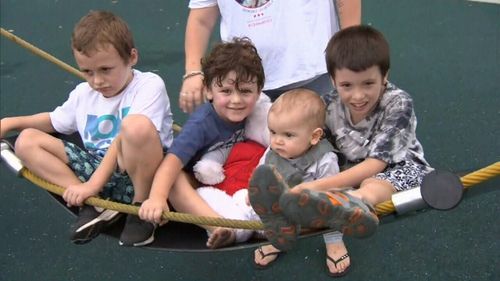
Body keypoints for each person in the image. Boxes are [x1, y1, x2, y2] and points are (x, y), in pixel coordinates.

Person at [249, 25, 434, 277]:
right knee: (298, 158)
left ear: (385, 76)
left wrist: (314, 188)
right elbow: (305, 139)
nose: (358, 95)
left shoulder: (398, 103)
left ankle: (351, 207)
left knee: (371, 184)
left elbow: (376, 165)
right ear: (333, 81)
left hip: (398, 169)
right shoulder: (329, 103)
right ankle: (282, 228)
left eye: (368, 83)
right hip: (344, 171)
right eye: (347, 85)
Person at [0, 11, 174, 247]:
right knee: (26, 141)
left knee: (136, 126)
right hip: (97, 170)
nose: (97, 81)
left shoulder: (149, 85)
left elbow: (124, 139)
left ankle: (139, 209)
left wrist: (92, 184)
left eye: (105, 69)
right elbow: (53, 121)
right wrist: (10, 123)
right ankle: (94, 205)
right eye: (87, 72)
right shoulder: (84, 94)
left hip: (142, 173)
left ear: (131, 57)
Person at [138, 37, 263, 249]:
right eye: (225, 91)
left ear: (259, 92)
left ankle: (255, 219)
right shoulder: (201, 123)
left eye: (245, 91)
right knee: (175, 180)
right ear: (208, 91)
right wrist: (157, 197)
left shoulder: (258, 114)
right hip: (195, 183)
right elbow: (170, 164)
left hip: (231, 183)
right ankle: (219, 227)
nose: (236, 100)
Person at [179, 0, 361, 113]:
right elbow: (201, 20)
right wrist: (193, 72)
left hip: (316, 76)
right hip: (243, 88)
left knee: (322, 158)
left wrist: (350, 47)